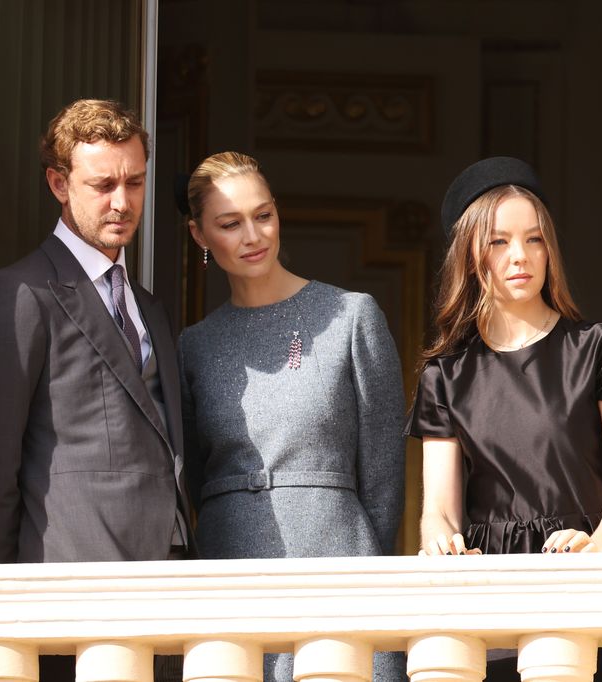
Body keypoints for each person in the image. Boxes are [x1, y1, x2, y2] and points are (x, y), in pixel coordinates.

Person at [0, 99, 191, 680]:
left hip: (168, 595)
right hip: (65, 599)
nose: (122, 201)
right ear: (59, 183)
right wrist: (13, 592)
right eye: (102, 183)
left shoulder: (150, 307)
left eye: (134, 182)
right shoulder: (17, 294)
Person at [407, 156, 602, 681]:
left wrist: (597, 553)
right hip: (492, 598)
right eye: (499, 242)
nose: (520, 256)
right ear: (471, 253)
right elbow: (439, 511)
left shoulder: (600, 350)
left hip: (591, 583)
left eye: (535, 239)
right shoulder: (444, 376)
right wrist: (440, 541)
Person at [177, 151, 407, 682]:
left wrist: (363, 573)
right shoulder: (195, 346)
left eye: (264, 215)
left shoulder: (350, 316)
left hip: (337, 562)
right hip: (227, 567)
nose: (253, 235)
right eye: (230, 224)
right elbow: (192, 474)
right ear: (198, 235)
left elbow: (383, 475)